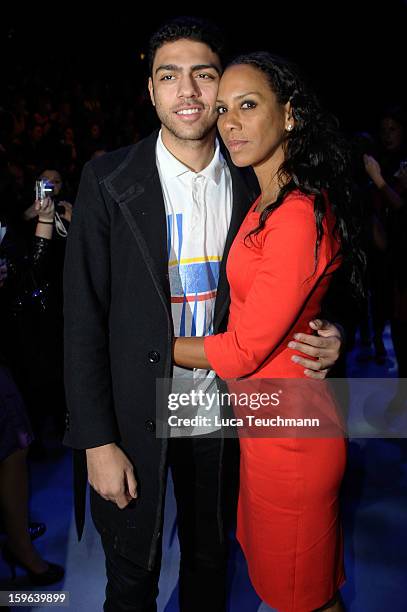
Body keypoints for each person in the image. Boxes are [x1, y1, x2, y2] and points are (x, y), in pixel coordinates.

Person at [63, 18, 346, 612]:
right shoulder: (108, 180)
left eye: (203, 75)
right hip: (134, 408)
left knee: (209, 562)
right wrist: (95, 440)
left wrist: (329, 329)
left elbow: (311, 274)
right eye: (169, 76)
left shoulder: (258, 180)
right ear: (150, 91)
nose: (187, 91)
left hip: (225, 406)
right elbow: (82, 317)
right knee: (133, 577)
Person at [173, 52, 364, 611]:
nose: (228, 122)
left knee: (302, 596)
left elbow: (239, 350)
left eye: (248, 106)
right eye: (224, 109)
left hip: (292, 439)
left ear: (291, 115)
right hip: (265, 430)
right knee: (294, 588)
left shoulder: (298, 212)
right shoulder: (262, 202)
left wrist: (147, 342)